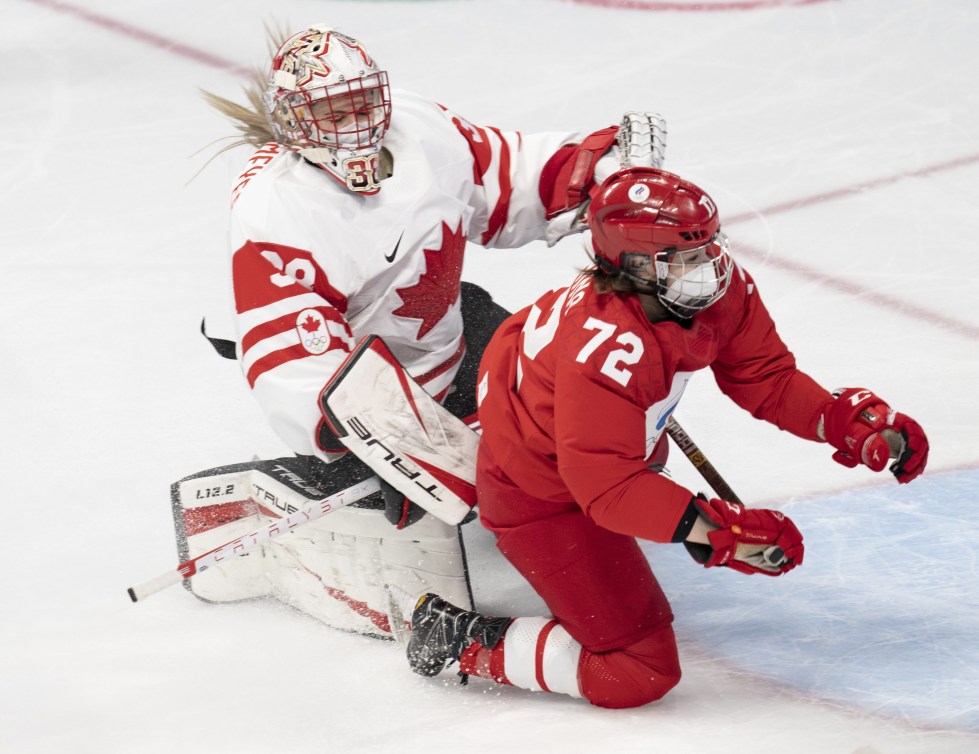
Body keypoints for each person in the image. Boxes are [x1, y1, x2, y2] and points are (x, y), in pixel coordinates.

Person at [175, 24, 668, 638]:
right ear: (295, 124)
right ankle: (321, 497)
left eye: (363, 101)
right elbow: (294, 364)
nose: (356, 123)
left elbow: (508, 175)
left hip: (454, 339)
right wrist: (396, 449)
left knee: (593, 408)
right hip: (367, 395)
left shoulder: (419, 129)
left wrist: (602, 174)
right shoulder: (276, 209)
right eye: (333, 112)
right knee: (473, 493)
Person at [404, 166, 929, 709]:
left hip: (589, 447)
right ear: (633, 267)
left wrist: (840, 421)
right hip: (539, 493)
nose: (709, 270)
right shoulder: (607, 349)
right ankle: (458, 642)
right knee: (638, 673)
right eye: (684, 258)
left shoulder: (711, 291)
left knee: (632, 475)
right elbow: (606, 490)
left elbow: (765, 378)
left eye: (708, 247)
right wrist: (716, 532)